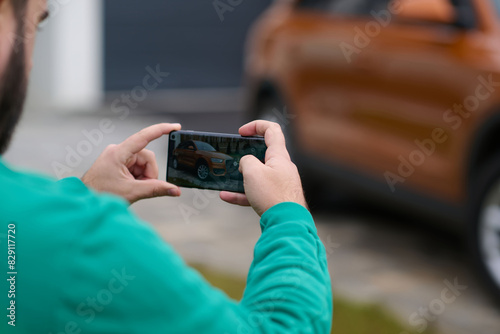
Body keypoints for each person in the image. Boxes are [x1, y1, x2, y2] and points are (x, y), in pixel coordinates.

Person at [0, 0, 333, 333]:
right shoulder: (88, 242)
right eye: (34, 26)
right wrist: (288, 212)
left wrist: (80, 196)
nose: (29, 63)